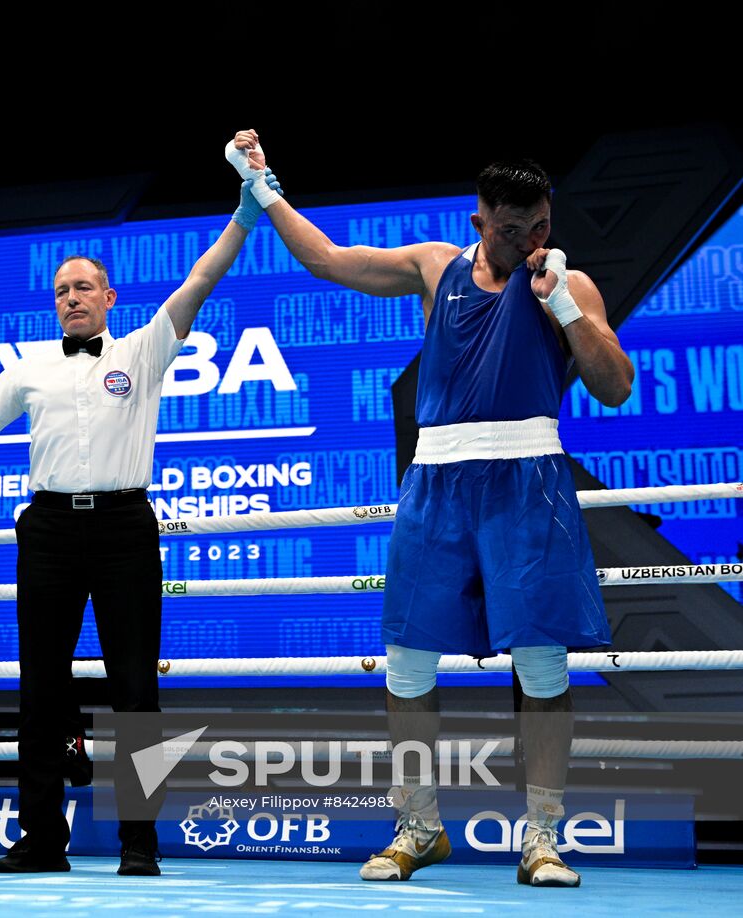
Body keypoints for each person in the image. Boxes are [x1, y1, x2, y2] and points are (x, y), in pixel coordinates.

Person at [0, 146, 269, 876]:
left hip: (126, 529)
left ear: (110, 298)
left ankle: (140, 843)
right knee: (41, 688)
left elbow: (200, 280)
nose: (71, 297)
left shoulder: (142, 350)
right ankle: (42, 839)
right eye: (62, 290)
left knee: (137, 687)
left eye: (84, 287)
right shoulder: (29, 368)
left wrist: (244, 214)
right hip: (46, 531)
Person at [229, 130, 633, 887]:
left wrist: (568, 311)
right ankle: (418, 826)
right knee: (408, 664)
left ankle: (542, 838)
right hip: (436, 482)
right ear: (480, 222)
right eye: (514, 231)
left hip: (529, 483)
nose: (531, 242)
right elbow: (325, 259)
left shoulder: (566, 284)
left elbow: (614, 386)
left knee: (543, 666)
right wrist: (263, 187)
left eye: (541, 226)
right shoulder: (433, 267)